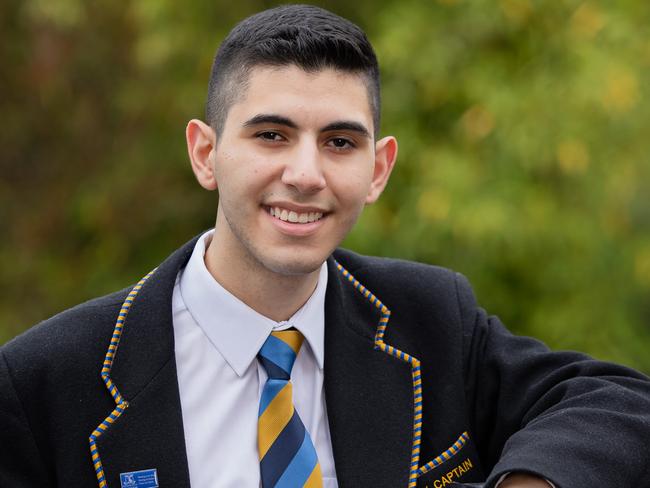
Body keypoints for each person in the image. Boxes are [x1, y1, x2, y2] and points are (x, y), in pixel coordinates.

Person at [1, 5, 649, 488]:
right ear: (206, 153)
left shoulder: (431, 319)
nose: (306, 174)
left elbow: (619, 403)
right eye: (272, 136)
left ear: (377, 169)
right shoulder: (44, 382)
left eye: (340, 142)